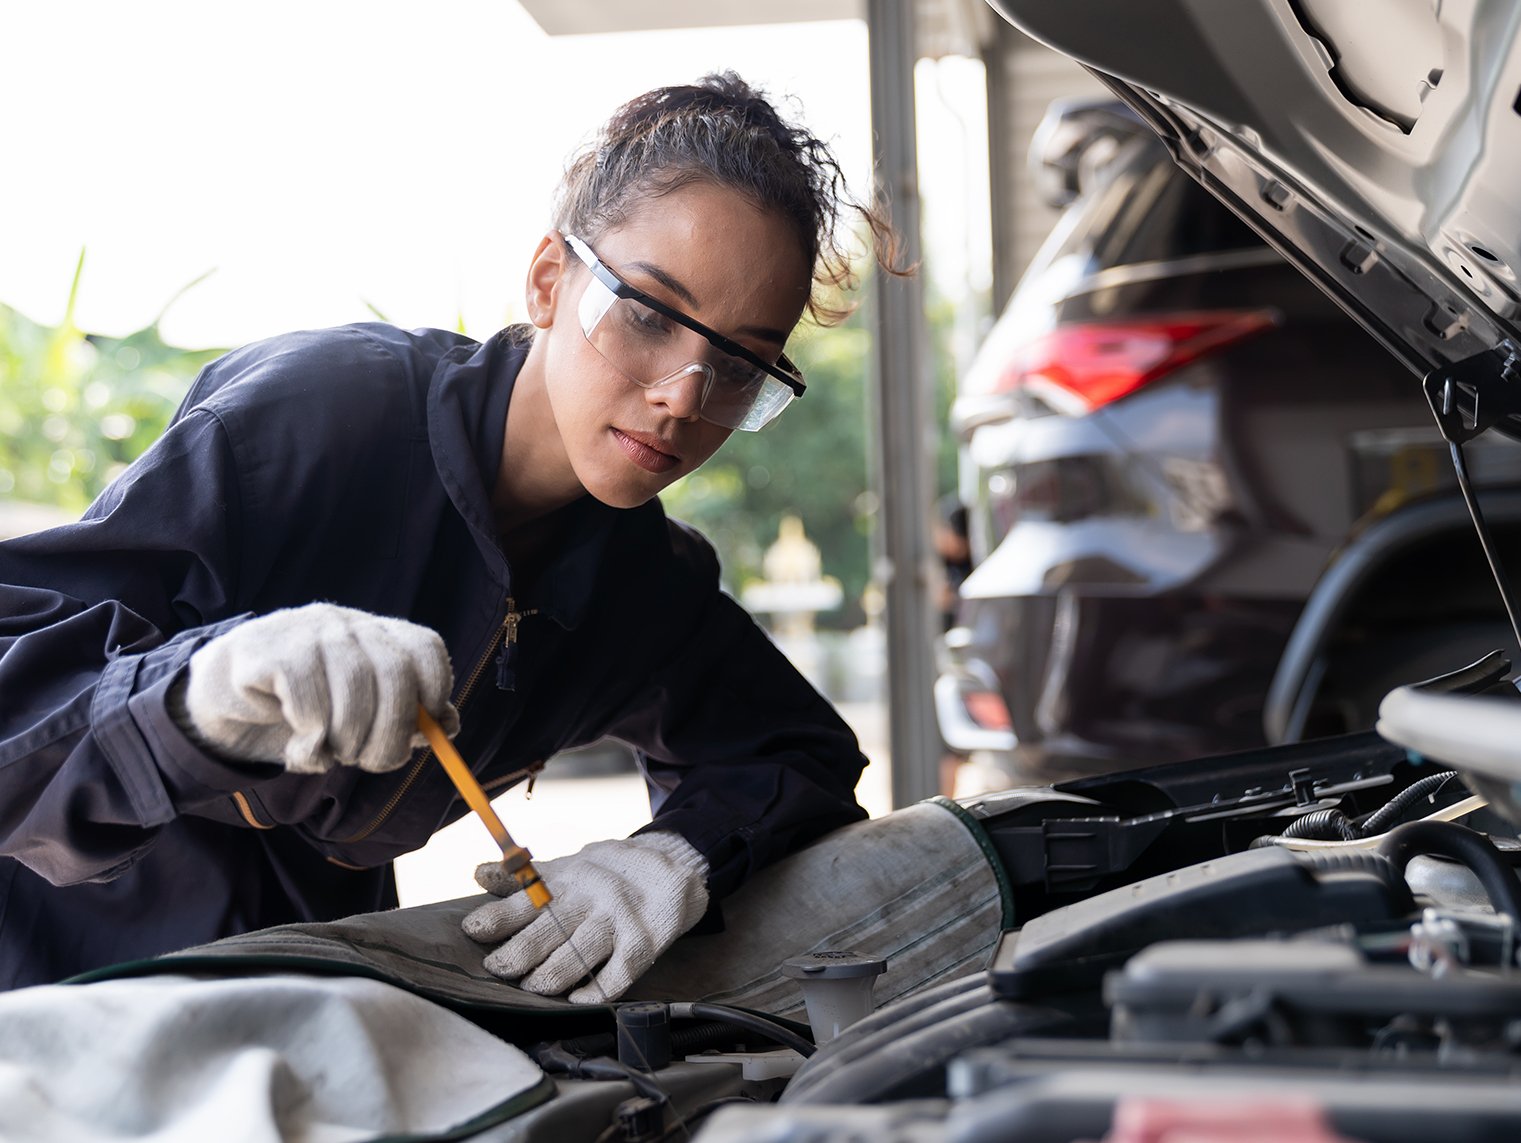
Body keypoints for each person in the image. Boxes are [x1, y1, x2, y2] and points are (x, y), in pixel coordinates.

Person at [0, 73, 899, 998]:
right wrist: (195, 693)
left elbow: (795, 753)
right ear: (549, 279)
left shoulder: (640, 580)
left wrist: (675, 856)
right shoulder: (318, 414)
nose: (683, 395)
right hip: (58, 973)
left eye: (740, 363)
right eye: (648, 314)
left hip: (308, 974)